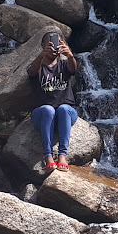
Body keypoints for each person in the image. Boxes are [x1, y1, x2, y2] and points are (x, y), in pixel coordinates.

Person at [27, 32, 78, 172]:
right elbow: (31, 72)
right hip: (43, 114)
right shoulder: (38, 66)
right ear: (43, 46)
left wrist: (70, 55)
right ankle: (48, 156)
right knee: (48, 109)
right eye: (50, 45)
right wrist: (42, 55)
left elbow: (73, 69)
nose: (54, 48)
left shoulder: (64, 64)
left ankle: (62, 156)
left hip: (66, 113)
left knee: (63, 109)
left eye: (57, 44)